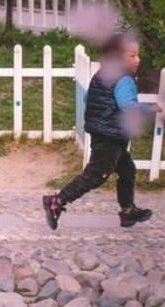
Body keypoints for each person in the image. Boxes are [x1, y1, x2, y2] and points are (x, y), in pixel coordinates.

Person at [43, 33, 162, 231]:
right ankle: (56, 201)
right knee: (96, 175)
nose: (137, 60)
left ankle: (128, 211)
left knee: (127, 170)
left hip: (102, 131)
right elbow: (128, 107)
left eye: (137, 55)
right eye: (132, 56)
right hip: (110, 135)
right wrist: (153, 108)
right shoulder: (124, 79)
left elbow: (88, 98)